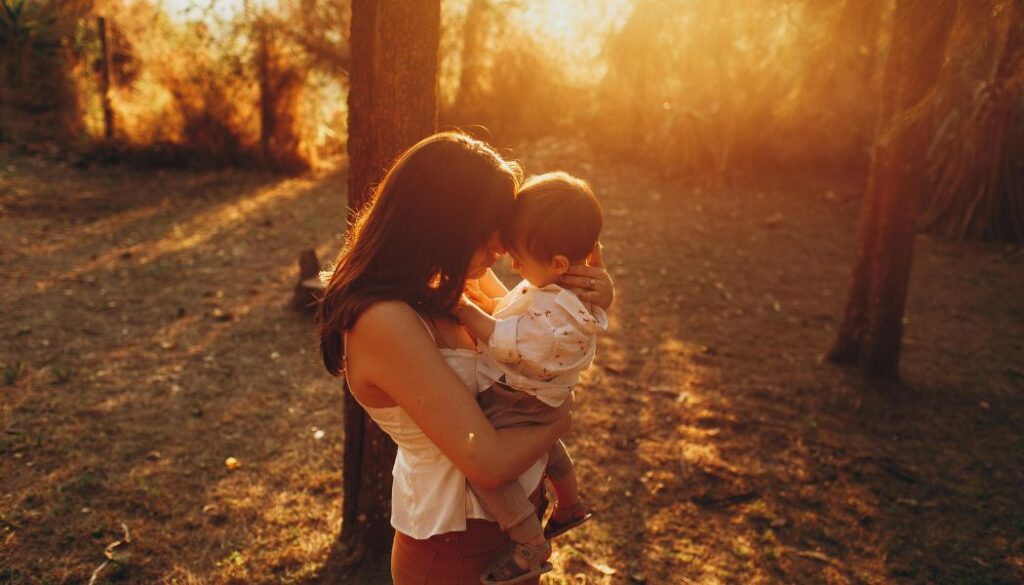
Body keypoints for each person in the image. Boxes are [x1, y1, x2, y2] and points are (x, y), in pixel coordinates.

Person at [316, 132, 615, 584]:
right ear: (443, 224)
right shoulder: (382, 321)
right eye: (489, 233)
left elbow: (543, 331)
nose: (501, 248)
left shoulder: (457, 277)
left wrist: (591, 293)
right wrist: (558, 423)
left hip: (512, 533)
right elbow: (487, 462)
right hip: (456, 550)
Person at [454, 172, 605, 584]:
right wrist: (492, 304)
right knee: (546, 445)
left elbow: (512, 342)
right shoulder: (559, 290)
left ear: (558, 263)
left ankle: (528, 542)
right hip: (541, 400)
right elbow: (519, 310)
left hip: (515, 400)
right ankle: (570, 504)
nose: (512, 264)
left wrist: (467, 310)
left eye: (519, 257)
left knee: (488, 472)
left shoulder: (559, 312)